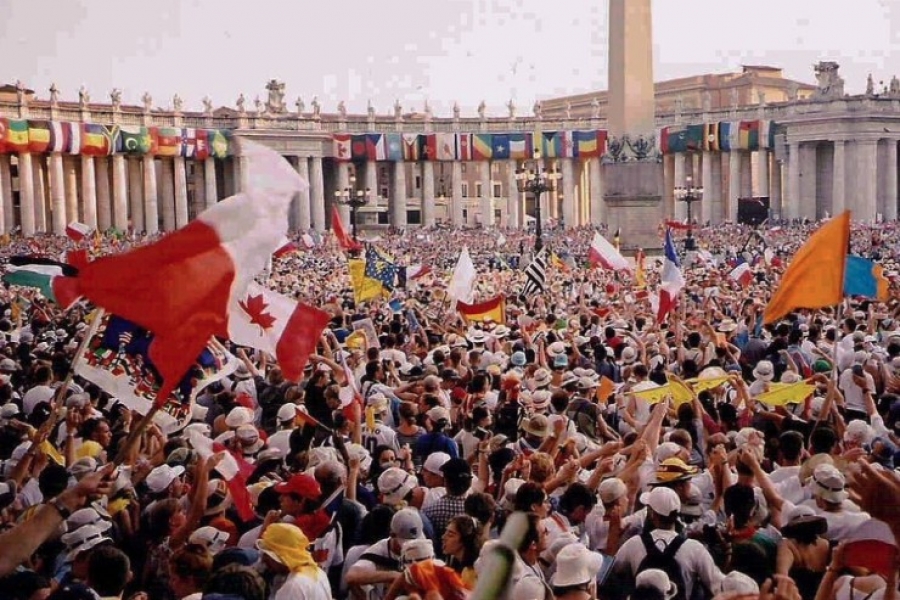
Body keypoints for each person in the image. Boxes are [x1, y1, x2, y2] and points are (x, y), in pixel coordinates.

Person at [256, 523, 331, 600]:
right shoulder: (319, 573)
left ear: (281, 557)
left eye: (268, 555)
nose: (264, 559)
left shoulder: (293, 586)